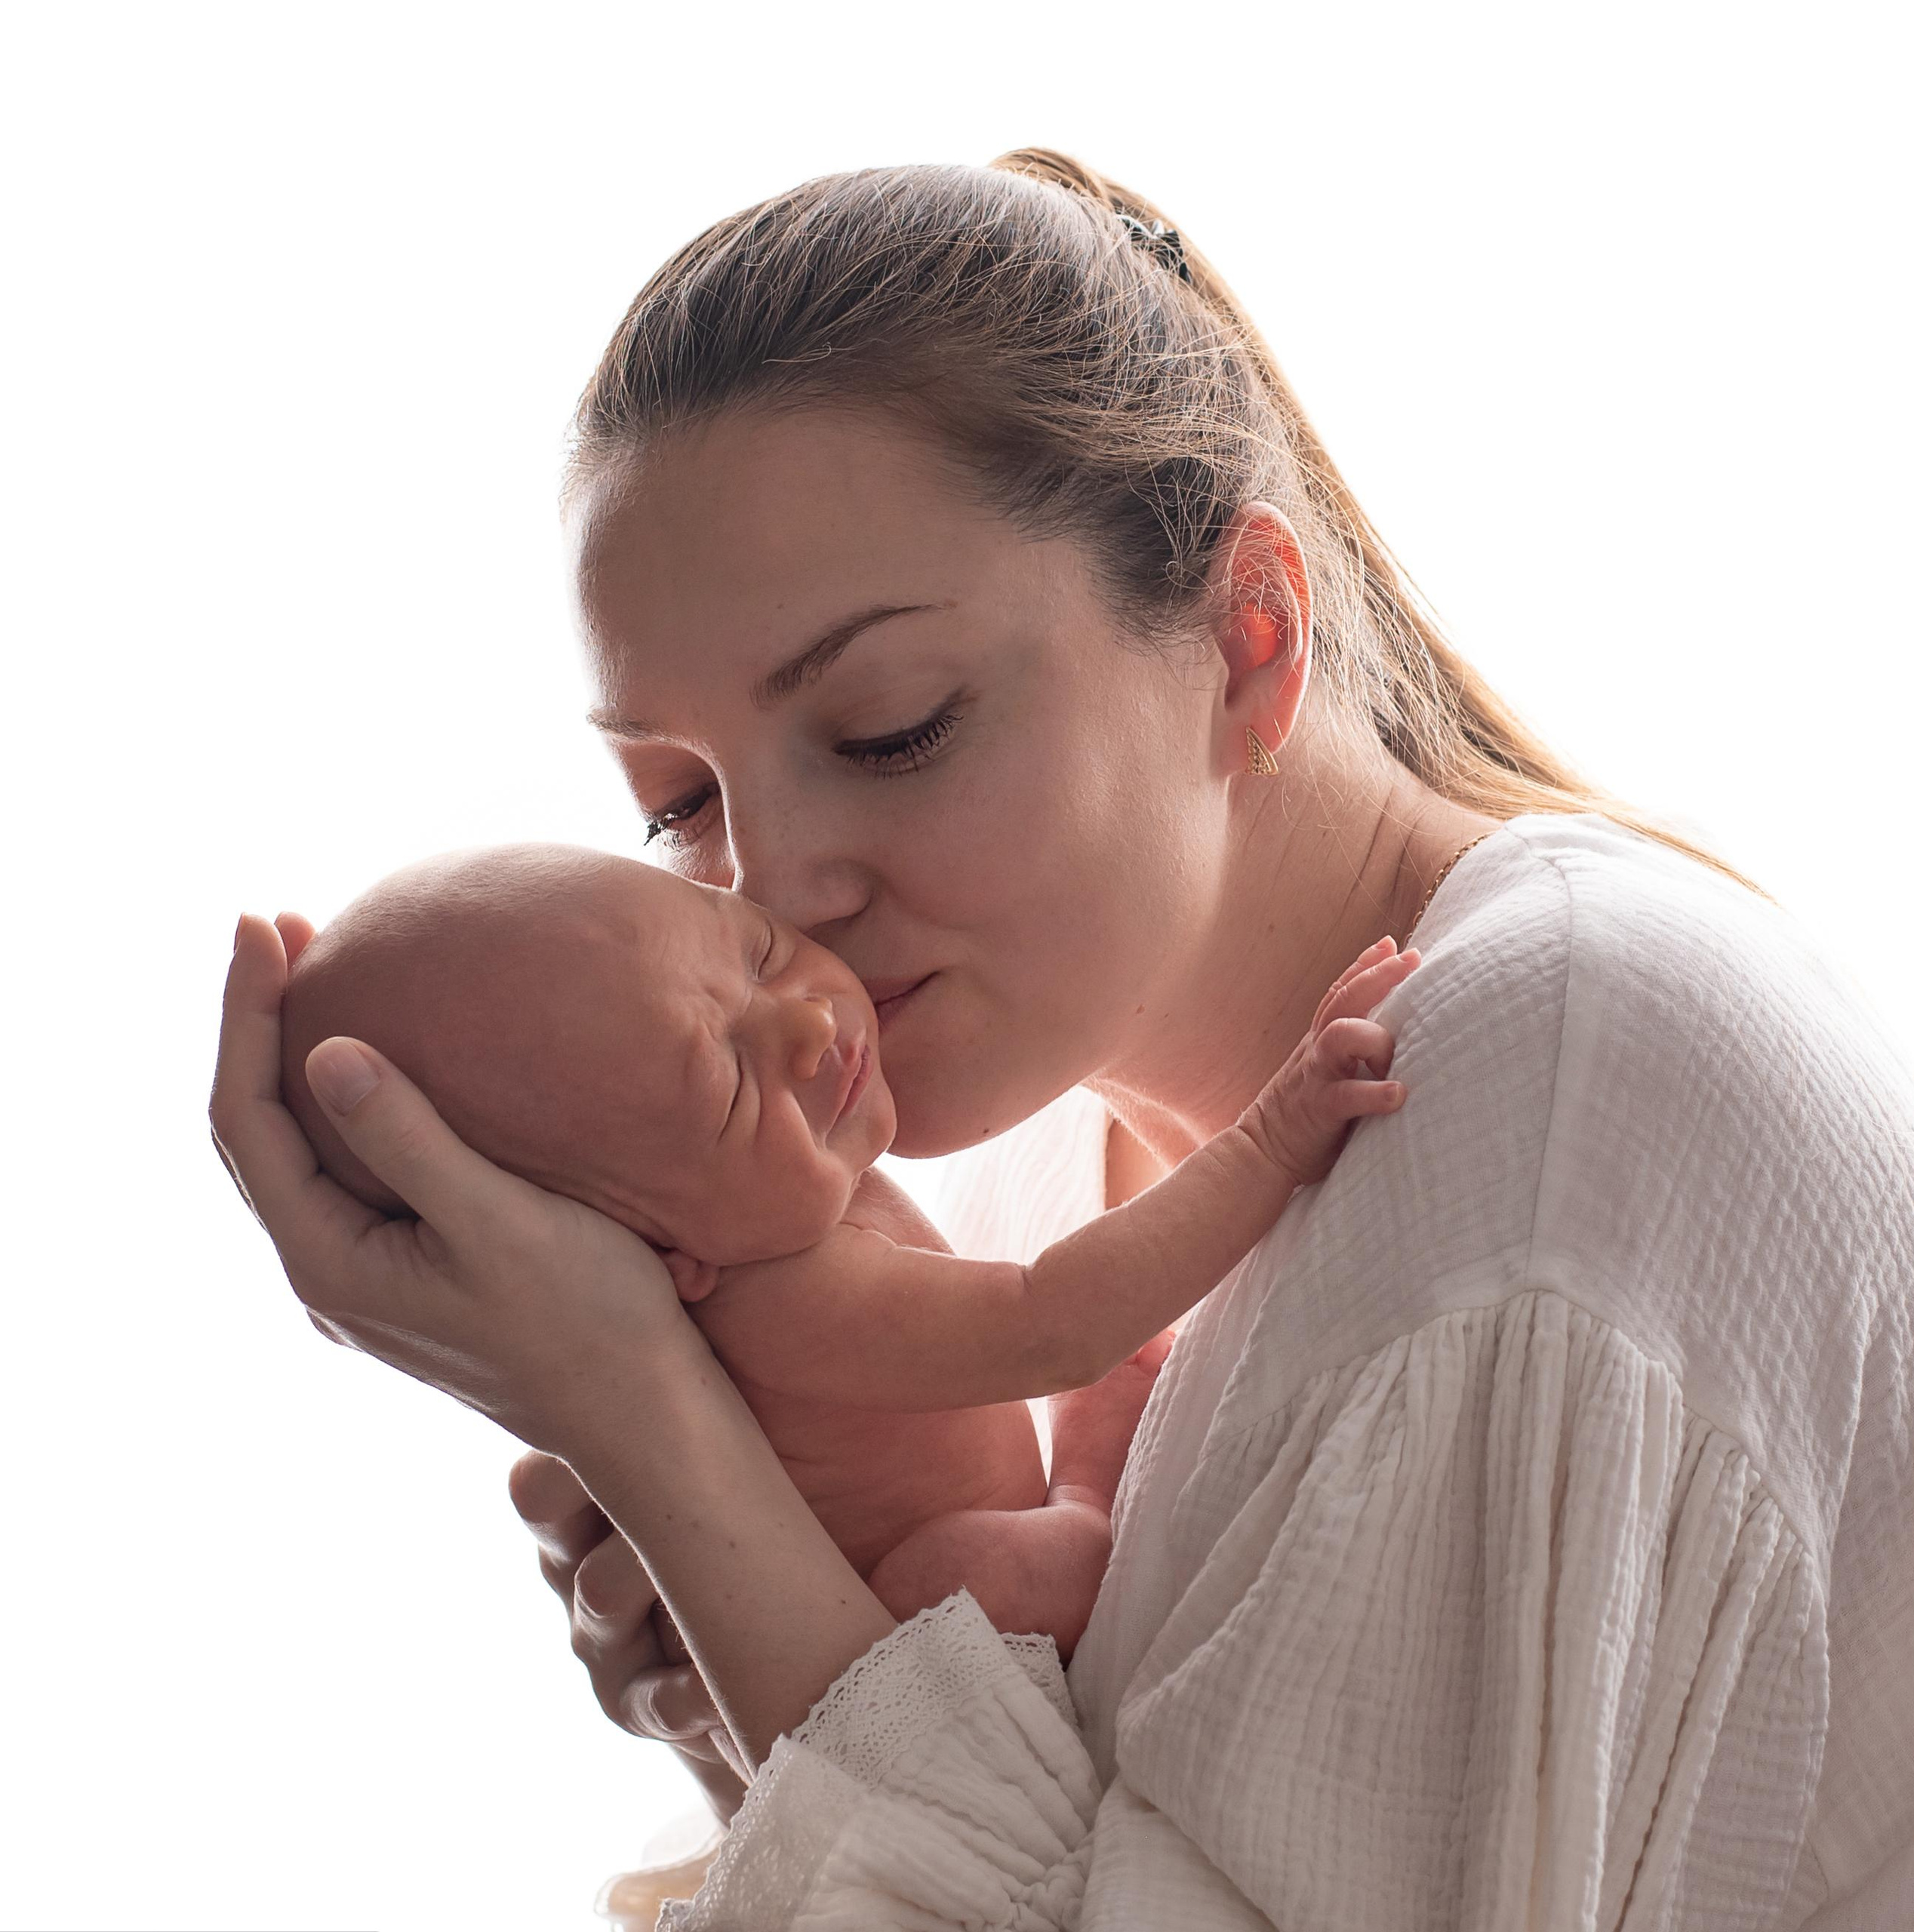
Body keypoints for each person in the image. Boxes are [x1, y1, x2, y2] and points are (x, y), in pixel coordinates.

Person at [211, 148, 1914, 1927]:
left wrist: (652, 1432)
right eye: (679, 803)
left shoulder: (1533, 1100)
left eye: (888, 727)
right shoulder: (1019, 1144)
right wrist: (747, 1703)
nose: (774, 892)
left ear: (1248, 634)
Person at [275, 838, 1417, 1683]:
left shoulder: (774, 1205)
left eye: (757, 951)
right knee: (958, 1582)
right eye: (729, 1085)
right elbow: (1053, 1318)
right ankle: (1080, 1522)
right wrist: (1275, 1131)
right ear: (662, 1254)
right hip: (936, 1652)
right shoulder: (782, 1296)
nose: (809, 1025)